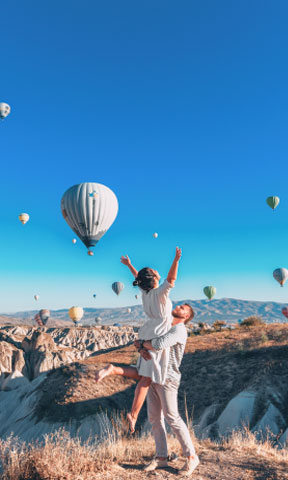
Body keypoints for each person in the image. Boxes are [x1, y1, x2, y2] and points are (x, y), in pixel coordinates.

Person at [95, 247, 181, 433]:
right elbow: (172, 279)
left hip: (147, 331)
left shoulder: (146, 292)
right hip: (158, 333)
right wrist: (176, 259)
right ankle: (133, 415)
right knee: (146, 379)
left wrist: (129, 265)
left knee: (142, 373)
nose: (159, 273)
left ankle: (114, 369)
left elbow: (138, 278)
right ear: (155, 279)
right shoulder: (160, 293)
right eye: (157, 273)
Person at [137, 303, 199, 476]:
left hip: (168, 378)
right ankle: (162, 457)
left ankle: (192, 456)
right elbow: (146, 340)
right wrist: (142, 344)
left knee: (172, 417)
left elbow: (158, 344)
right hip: (153, 376)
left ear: (186, 316)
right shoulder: (164, 327)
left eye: (183, 308)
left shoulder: (179, 330)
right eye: (179, 305)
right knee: (155, 418)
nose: (178, 306)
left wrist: (143, 343)